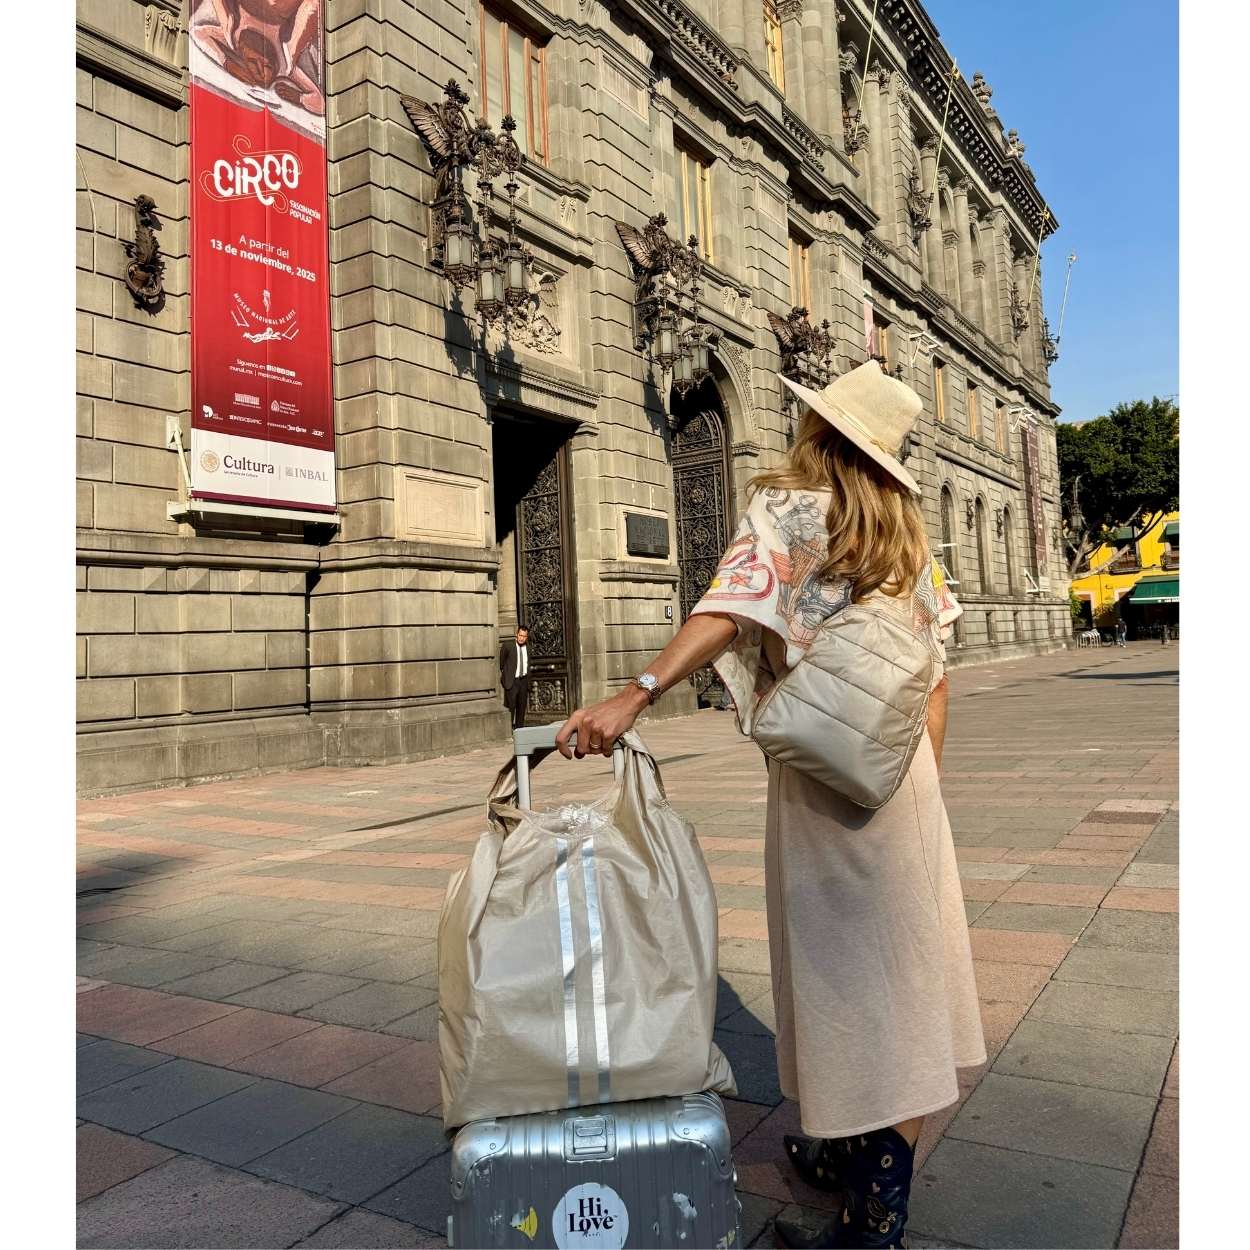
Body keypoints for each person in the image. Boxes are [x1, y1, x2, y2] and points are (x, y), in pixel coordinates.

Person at [556, 362, 985, 1249]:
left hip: (822, 785)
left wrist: (634, 694)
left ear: (819, 433)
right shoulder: (907, 539)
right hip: (904, 785)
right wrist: (910, 787)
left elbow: (727, 608)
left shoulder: (793, 508)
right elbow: (936, 682)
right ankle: (850, 1153)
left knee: (840, 983)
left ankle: (874, 1217)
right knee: (902, 984)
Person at [498, 624, 532, 730]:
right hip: (512, 682)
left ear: (527, 637)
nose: (522, 638)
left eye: (524, 636)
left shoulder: (528, 648)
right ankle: (509, 731)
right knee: (510, 708)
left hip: (523, 681)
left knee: (521, 708)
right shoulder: (508, 646)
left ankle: (519, 731)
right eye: (520, 635)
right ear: (516, 634)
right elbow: (501, 663)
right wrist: (506, 678)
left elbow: (528, 664)